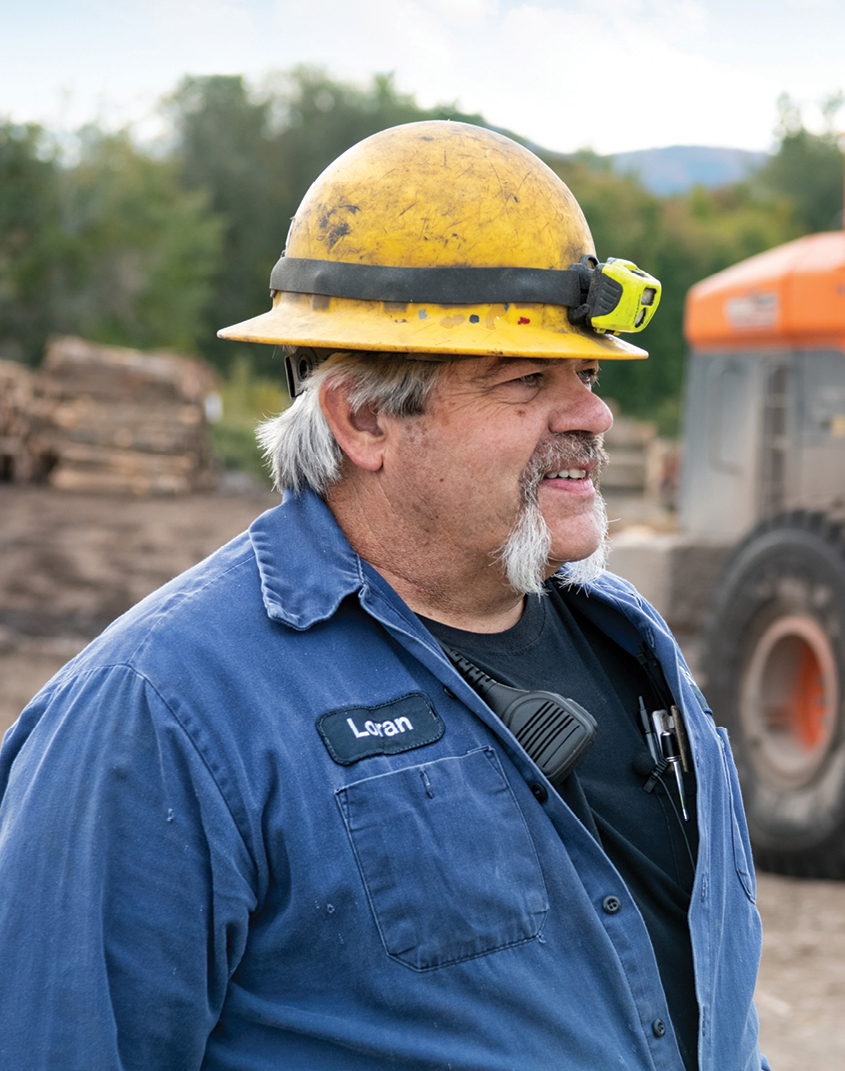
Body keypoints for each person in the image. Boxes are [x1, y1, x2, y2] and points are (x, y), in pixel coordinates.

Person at [0, 121, 768, 1071]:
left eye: (589, 372)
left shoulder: (633, 647)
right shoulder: (161, 709)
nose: (594, 415)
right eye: (527, 379)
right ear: (362, 418)